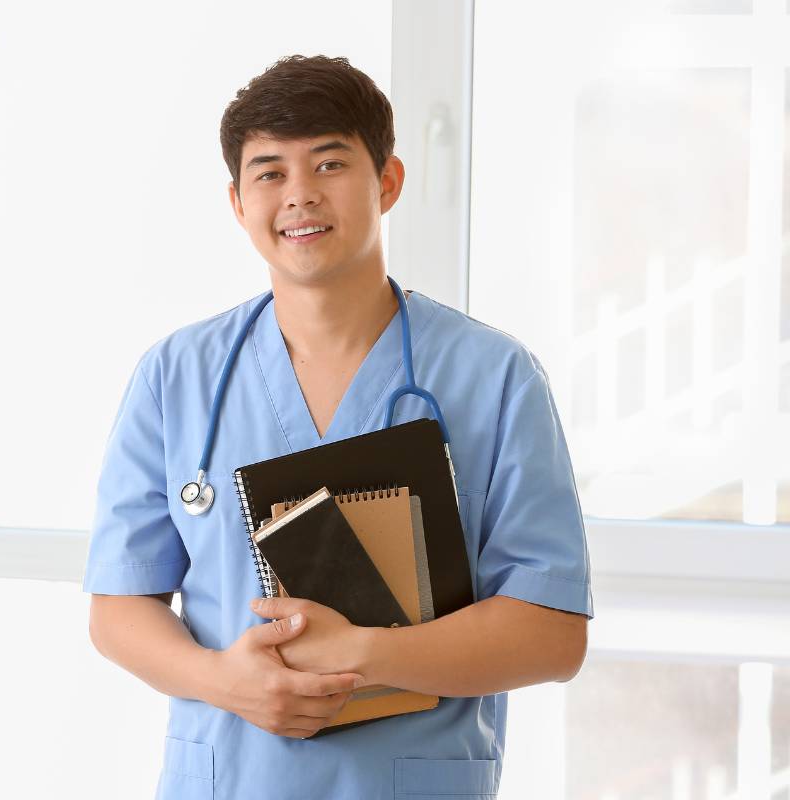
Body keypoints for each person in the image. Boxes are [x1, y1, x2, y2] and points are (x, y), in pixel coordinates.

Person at [83, 54, 593, 799]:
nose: (299, 196)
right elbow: (118, 608)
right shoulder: (176, 376)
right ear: (236, 201)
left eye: (329, 164)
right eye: (270, 173)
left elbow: (552, 633)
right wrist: (226, 681)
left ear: (388, 182)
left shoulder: (496, 379)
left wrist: (366, 653)